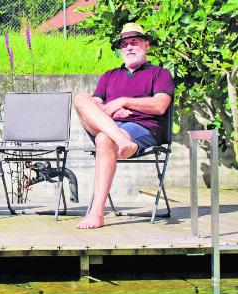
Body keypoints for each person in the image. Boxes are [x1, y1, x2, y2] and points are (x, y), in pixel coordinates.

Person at [75, 23, 175, 229]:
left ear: (146, 45)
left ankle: (97, 212)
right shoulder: (109, 76)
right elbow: (94, 106)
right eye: (125, 44)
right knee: (81, 98)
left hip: (143, 128)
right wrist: (111, 112)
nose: (129, 47)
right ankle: (121, 140)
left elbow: (160, 106)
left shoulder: (160, 74)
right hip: (117, 132)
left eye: (134, 42)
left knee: (104, 138)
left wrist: (123, 101)